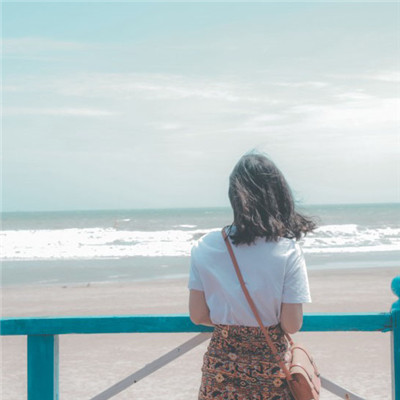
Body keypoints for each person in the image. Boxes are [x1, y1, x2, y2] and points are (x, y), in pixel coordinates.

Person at [188, 152, 317, 400]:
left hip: (220, 374)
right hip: (271, 376)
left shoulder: (205, 246)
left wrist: (234, 323)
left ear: (234, 197)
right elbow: (292, 324)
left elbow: (198, 315)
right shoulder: (287, 250)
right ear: (278, 195)